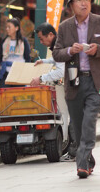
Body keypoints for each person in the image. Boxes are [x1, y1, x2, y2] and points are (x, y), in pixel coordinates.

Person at [53, 0, 100, 179]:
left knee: (90, 121)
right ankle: (88, 160)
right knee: (79, 126)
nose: (84, 3)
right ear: (71, 5)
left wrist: (97, 49)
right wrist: (69, 51)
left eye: (87, 0)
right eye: (80, 0)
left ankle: (81, 163)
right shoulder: (65, 27)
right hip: (74, 83)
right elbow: (56, 53)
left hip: (95, 83)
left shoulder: (99, 22)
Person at [31, 23, 75, 162]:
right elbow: (57, 60)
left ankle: (73, 151)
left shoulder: (60, 45)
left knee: (71, 119)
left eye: (41, 38)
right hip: (71, 86)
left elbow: (61, 71)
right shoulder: (57, 45)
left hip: (73, 87)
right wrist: (44, 61)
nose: (41, 42)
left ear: (51, 35)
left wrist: (41, 78)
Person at [0, 18, 31, 88]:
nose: (7, 29)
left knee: (17, 96)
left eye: (9, 27)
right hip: (5, 73)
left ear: (16, 28)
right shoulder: (4, 41)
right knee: (4, 95)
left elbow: (28, 58)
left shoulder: (23, 41)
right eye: (6, 27)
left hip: (19, 73)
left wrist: (26, 74)